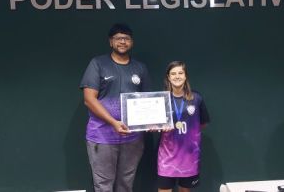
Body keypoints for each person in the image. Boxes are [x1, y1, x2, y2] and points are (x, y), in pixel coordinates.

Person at [80, 23, 151, 192]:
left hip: (132, 137)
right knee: (103, 185)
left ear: (131, 42)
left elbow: (148, 101)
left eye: (126, 38)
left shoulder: (140, 68)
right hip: (102, 136)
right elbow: (89, 100)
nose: (122, 42)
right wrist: (113, 122)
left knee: (126, 183)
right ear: (111, 42)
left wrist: (154, 122)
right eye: (118, 38)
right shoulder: (97, 63)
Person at [157, 61, 210, 192]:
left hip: (189, 157)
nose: (177, 76)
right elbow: (155, 124)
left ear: (186, 76)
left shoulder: (196, 98)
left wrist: (190, 134)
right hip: (167, 156)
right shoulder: (160, 100)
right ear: (168, 77)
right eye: (173, 73)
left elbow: (203, 123)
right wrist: (158, 127)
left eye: (180, 73)